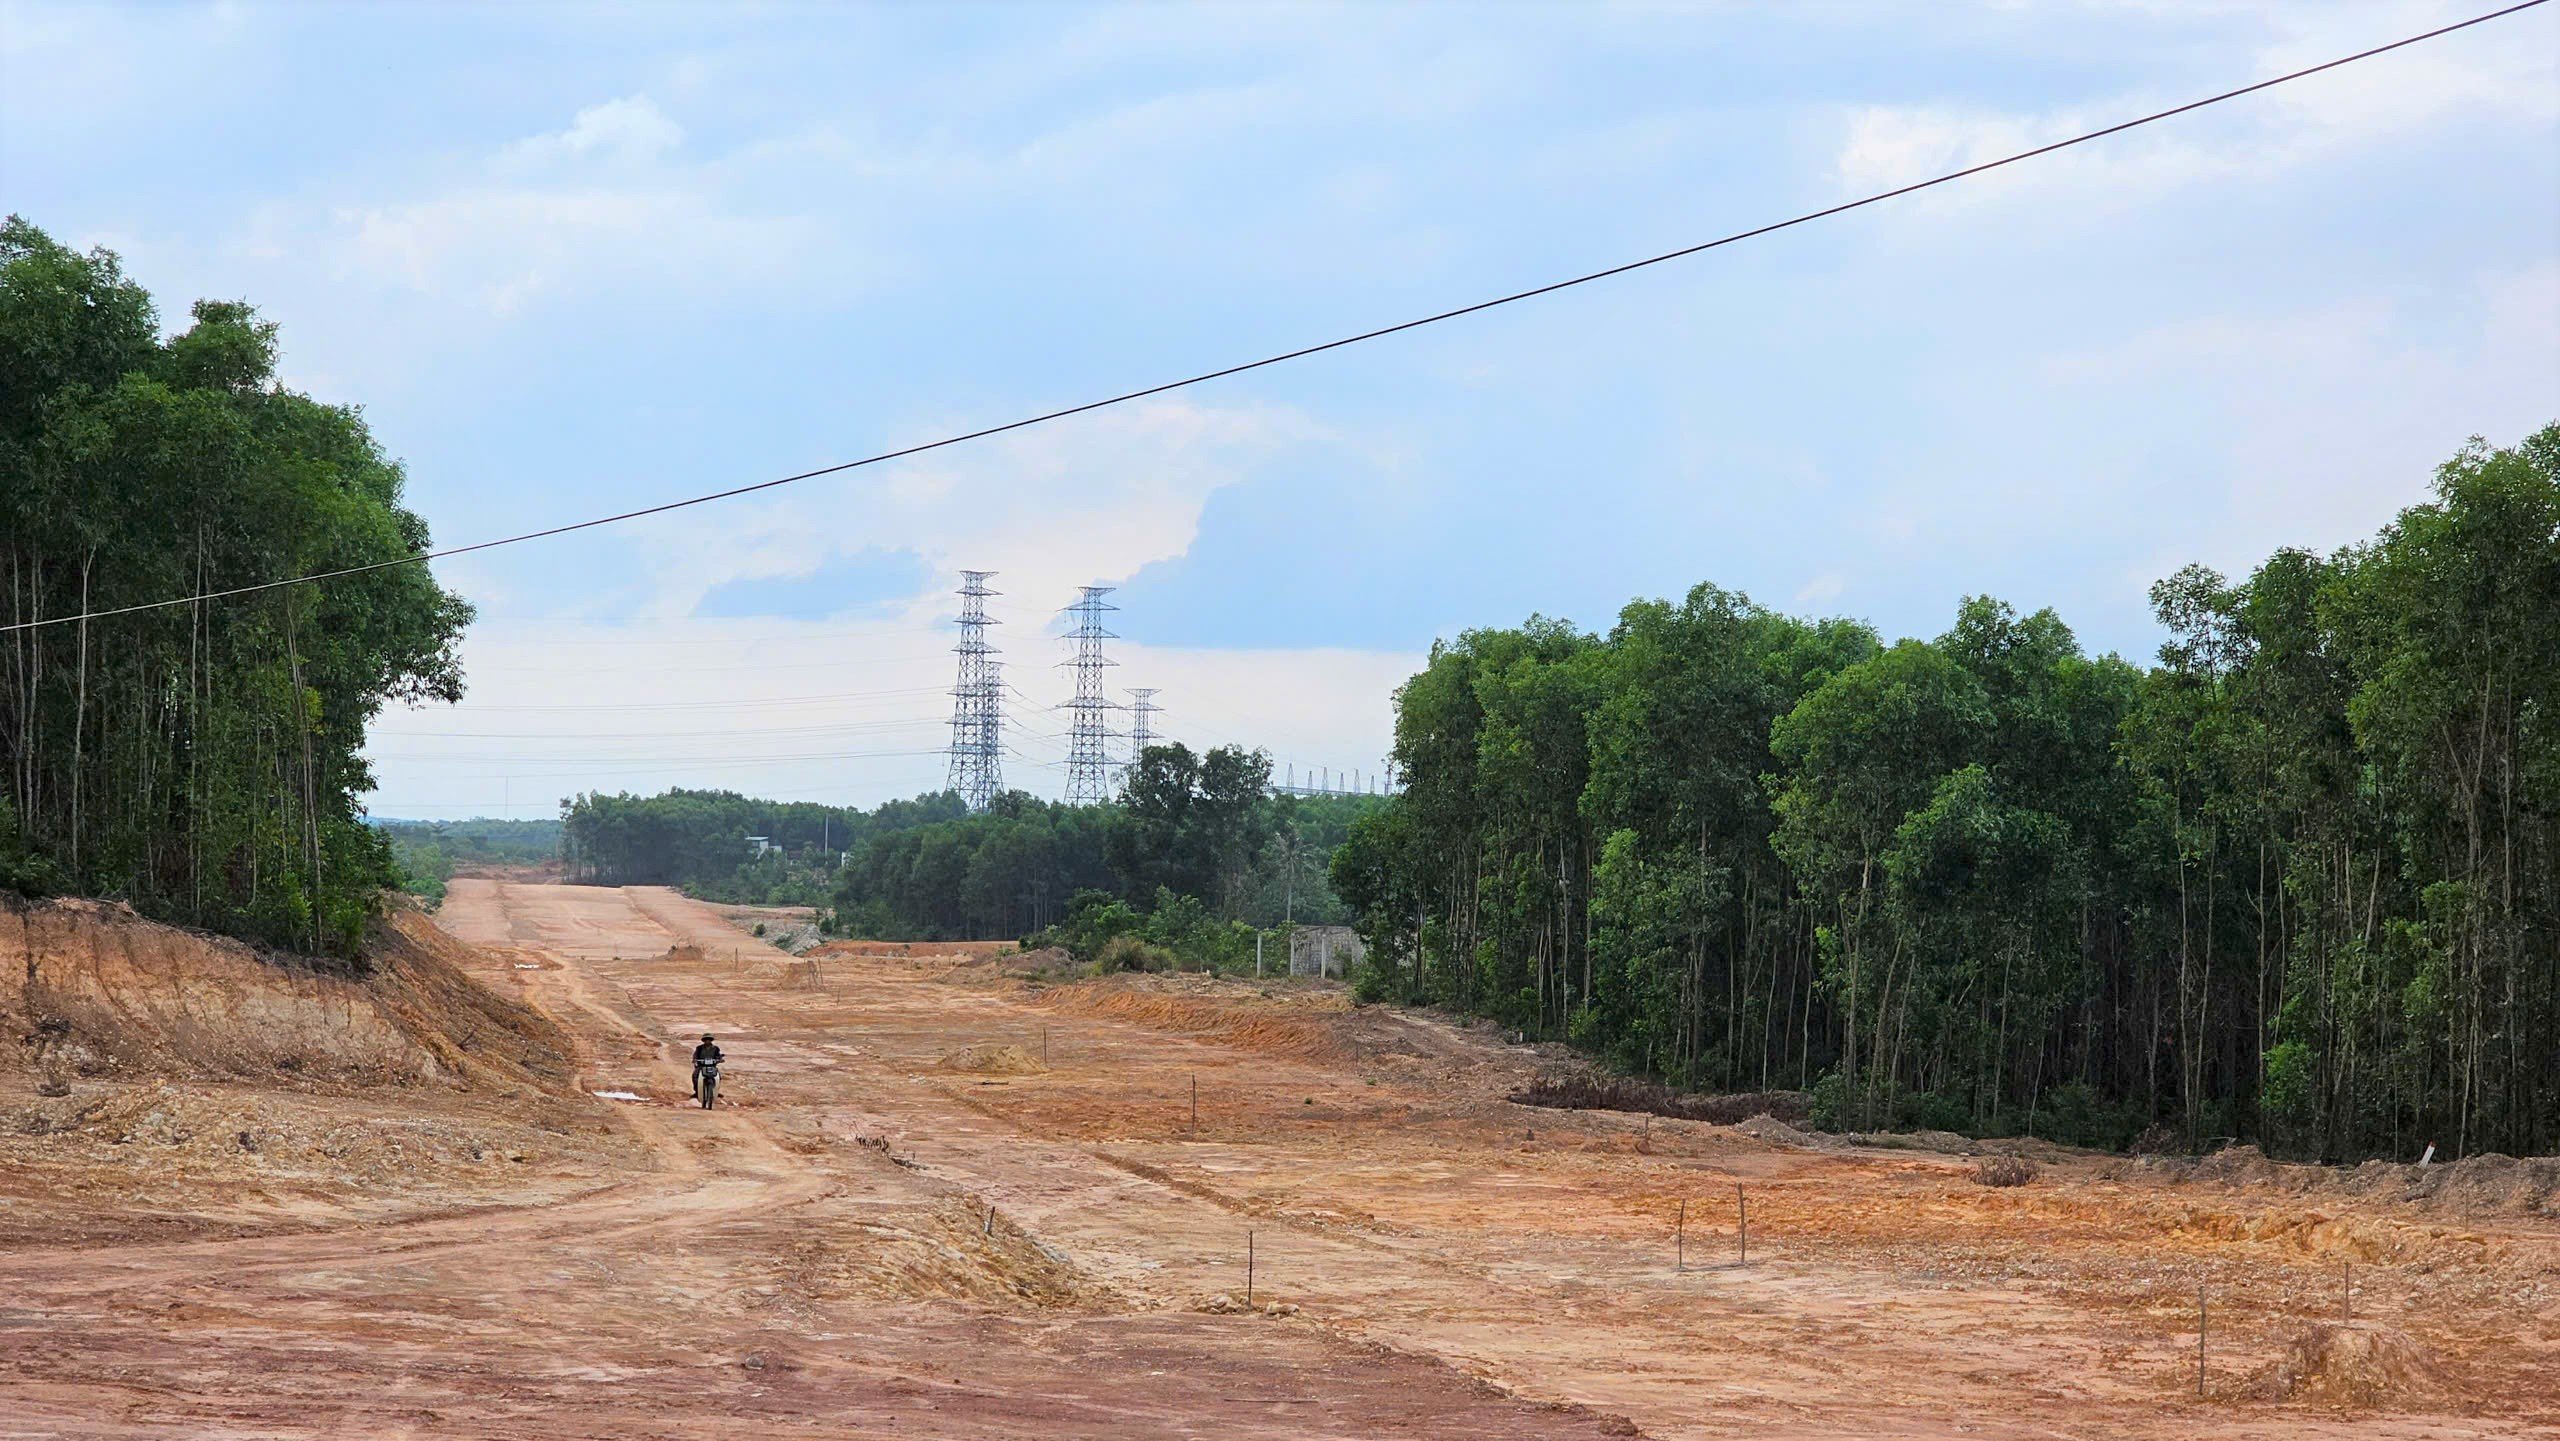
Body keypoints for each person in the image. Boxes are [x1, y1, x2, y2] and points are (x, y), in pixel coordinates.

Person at [691, 1033, 723, 1100]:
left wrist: (720, 1059)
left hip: (712, 1066)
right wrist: (694, 1060)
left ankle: (716, 1091)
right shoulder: (699, 1048)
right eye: (706, 1040)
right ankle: (697, 1091)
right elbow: (695, 1055)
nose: (707, 1041)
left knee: (719, 1077)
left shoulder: (716, 1048)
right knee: (695, 1075)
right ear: (703, 1040)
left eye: (709, 1040)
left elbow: (718, 1056)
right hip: (701, 1066)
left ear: (711, 1040)